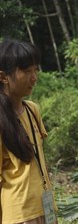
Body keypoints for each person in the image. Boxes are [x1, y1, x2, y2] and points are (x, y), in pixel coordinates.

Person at [0, 40, 57, 224]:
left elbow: (39, 159)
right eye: (26, 71)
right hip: (19, 214)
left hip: (45, 207)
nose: (34, 77)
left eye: (35, 70)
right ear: (3, 77)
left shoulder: (32, 110)